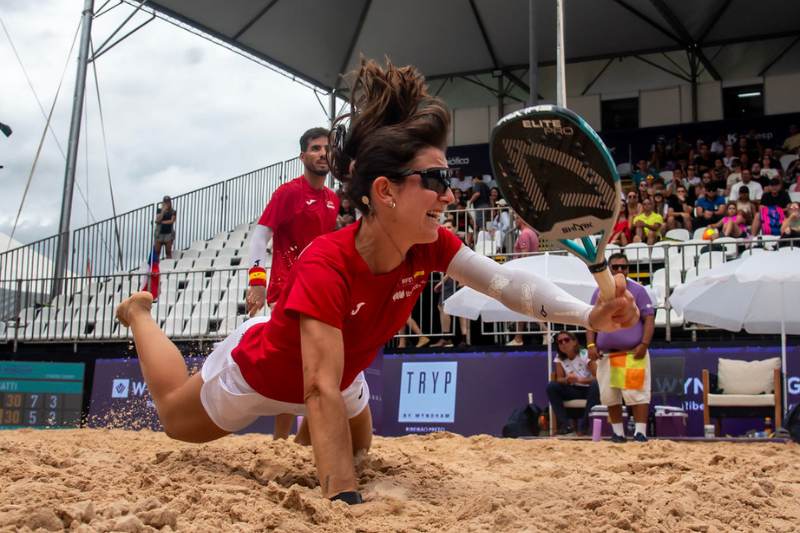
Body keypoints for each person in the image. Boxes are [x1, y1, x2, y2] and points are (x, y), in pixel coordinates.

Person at [115, 59, 638, 504]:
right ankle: (139, 314)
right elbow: (317, 388)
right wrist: (342, 498)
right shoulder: (327, 263)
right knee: (174, 418)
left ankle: (310, 447)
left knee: (360, 449)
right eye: (435, 180)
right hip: (262, 373)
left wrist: (587, 314)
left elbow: (503, 283)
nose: (449, 195)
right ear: (385, 192)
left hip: (341, 372)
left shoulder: (429, 244)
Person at [245, 126, 339, 440]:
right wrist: (257, 281)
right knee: (296, 362)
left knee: (319, 364)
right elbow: (260, 236)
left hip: (319, 288)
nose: (323, 153)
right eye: (315, 148)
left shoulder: (333, 199)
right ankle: (281, 439)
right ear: (302, 156)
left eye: (327, 148)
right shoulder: (288, 193)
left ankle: (302, 440)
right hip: (287, 288)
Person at [586, 253, 655, 443]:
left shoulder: (638, 290)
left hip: (631, 352)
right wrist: (591, 344)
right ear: (608, 269)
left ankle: (640, 432)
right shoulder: (599, 292)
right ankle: (618, 433)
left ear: (628, 269)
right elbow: (590, 321)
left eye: (623, 267)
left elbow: (649, 317)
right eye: (615, 267)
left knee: (637, 395)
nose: (619, 270)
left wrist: (644, 344)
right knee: (610, 396)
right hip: (606, 354)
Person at [546, 331, 600, 435]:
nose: (563, 343)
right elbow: (559, 378)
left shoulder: (584, 354)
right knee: (551, 386)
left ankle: (584, 426)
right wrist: (567, 379)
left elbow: (597, 377)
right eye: (560, 342)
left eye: (566, 340)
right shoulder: (559, 357)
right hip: (572, 388)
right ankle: (566, 426)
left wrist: (579, 380)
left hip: (588, 388)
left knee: (596, 385)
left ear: (574, 341)